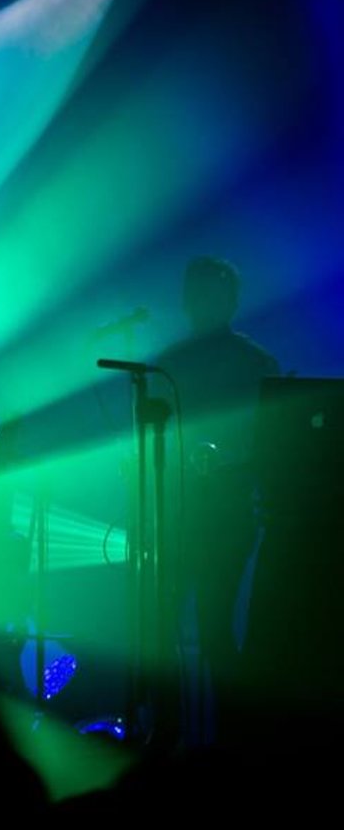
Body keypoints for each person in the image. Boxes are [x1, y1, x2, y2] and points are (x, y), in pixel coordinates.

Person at [153, 256, 279, 745]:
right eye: (203, 293)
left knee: (207, 629)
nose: (208, 302)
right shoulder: (175, 364)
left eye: (217, 293)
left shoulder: (251, 362)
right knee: (177, 627)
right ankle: (187, 737)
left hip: (219, 514)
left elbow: (271, 444)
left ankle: (213, 741)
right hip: (184, 512)